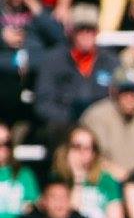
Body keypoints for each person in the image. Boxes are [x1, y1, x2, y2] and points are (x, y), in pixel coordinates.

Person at [33, 8, 119, 143]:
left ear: (97, 32)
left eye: (90, 30)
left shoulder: (111, 62)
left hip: (102, 124)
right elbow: (44, 103)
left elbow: (117, 99)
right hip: (64, 125)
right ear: (71, 32)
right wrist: (70, 118)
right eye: (80, 30)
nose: (86, 34)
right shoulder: (53, 60)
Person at [0, 0, 64, 126]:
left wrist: (38, 10)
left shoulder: (41, 14)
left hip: (36, 70)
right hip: (5, 72)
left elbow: (60, 40)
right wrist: (2, 38)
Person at [79, 66, 134, 179]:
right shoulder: (96, 115)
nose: (130, 97)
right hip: (102, 179)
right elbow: (89, 155)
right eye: (125, 91)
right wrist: (120, 174)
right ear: (115, 91)